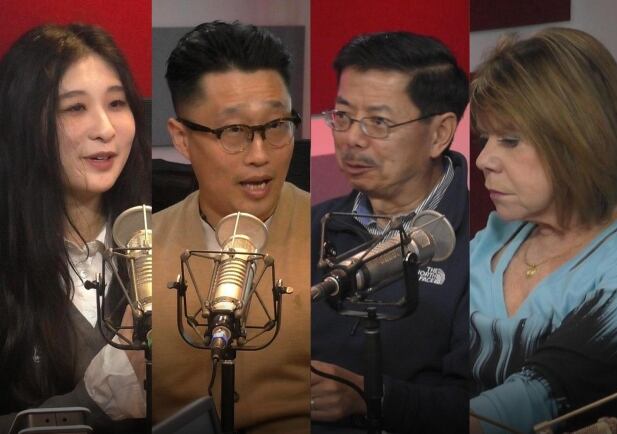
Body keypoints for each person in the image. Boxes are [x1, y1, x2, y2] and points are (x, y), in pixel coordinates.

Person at [152, 21, 310, 433]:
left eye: (277, 126)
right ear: (182, 138)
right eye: (234, 131)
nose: (261, 155)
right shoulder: (145, 246)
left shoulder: (334, 235)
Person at [468, 28, 617, 434]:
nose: (484, 159)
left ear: (577, 140)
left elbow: (533, 398)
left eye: (511, 140)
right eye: (486, 138)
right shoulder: (493, 234)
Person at [310, 32, 469, 433]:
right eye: (342, 116)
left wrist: (367, 395)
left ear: (439, 133)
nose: (351, 139)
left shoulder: (482, 237)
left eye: (378, 122)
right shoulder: (314, 225)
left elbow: (486, 408)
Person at [0, 24, 150, 433]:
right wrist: (96, 399)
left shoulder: (167, 226)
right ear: (24, 123)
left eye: (117, 104)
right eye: (75, 108)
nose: (105, 129)